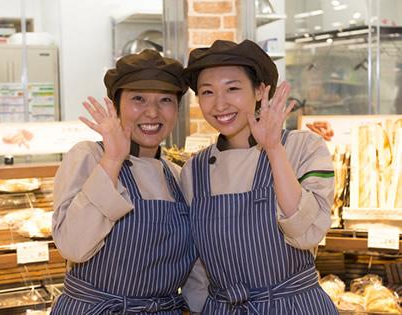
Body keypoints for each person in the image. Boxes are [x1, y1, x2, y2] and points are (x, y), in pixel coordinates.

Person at [180, 40, 338, 314]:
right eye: (207, 92)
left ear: (260, 90)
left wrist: (274, 150)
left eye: (233, 88)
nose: (219, 104)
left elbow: (306, 234)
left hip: (294, 306)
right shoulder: (195, 170)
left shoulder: (303, 147)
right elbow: (196, 266)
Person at [51, 49, 196, 314]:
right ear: (116, 106)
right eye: (138, 99)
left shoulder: (177, 176)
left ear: (176, 110)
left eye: (165, 100)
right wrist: (113, 160)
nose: (152, 112)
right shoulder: (90, 156)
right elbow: (73, 246)